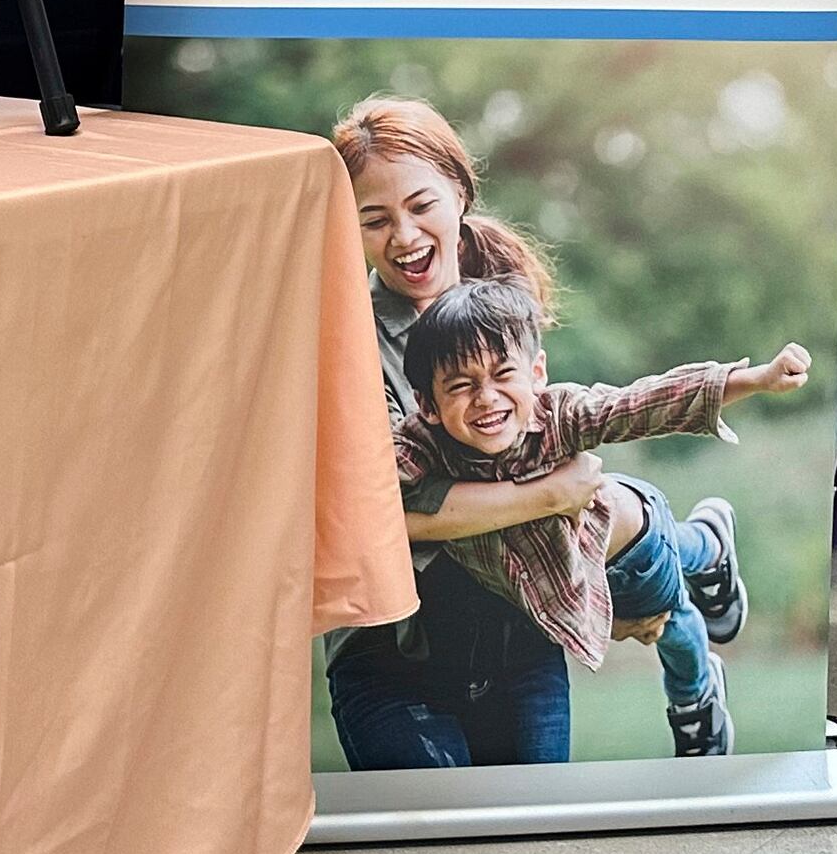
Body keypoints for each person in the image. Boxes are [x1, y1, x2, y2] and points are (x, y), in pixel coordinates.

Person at [396, 279, 806, 756]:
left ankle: (695, 697)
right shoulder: (424, 446)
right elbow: (371, 481)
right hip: (576, 567)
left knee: (668, 622)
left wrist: (755, 380)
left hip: (630, 553)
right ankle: (709, 543)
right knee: (675, 565)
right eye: (461, 386)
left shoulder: (560, 415)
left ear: (537, 372)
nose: (486, 398)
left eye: (502, 374)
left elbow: (640, 404)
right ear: (426, 404)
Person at [322, 96, 596, 769]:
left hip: (520, 643)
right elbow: (382, 509)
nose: (405, 236)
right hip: (391, 655)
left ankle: (691, 574)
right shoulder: (339, 336)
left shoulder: (504, 307)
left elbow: (562, 443)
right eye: (374, 220)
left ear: (460, 195)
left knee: (532, 849)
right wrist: (553, 495)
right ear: (346, 231)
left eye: (421, 206)